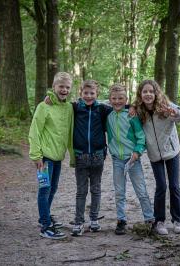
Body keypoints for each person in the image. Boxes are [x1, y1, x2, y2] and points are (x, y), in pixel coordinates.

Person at [133, 79, 180, 235]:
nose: (148, 94)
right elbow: (114, 103)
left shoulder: (166, 106)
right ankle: (159, 221)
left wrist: (177, 114)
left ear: (156, 93)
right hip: (155, 155)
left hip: (172, 152)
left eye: (151, 91)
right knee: (161, 187)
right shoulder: (139, 111)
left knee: (174, 186)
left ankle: (177, 221)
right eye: (144, 91)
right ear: (140, 94)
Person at [28, 72, 74, 240]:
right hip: (44, 159)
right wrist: (36, 156)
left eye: (67, 87)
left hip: (58, 158)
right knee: (44, 190)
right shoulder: (43, 106)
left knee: (53, 189)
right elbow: (34, 131)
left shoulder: (68, 107)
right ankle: (46, 227)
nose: (64, 90)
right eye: (61, 86)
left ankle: (44, 217)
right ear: (54, 87)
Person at [106, 84, 155, 235]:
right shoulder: (108, 116)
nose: (117, 101)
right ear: (109, 100)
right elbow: (95, 101)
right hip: (117, 160)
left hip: (133, 160)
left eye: (121, 98)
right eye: (114, 99)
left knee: (141, 190)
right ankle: (121, 220)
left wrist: (137, 152)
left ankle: (149, 219)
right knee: (119, 192)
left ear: (126, 99)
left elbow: (141, 137)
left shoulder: (132, 116)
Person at [70, 80, 112, 236]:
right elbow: (58, 104)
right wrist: (49, 98)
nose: (88, 96)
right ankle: (78, 221)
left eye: (92, 93)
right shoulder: (74, 108)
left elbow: (119, 106)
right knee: (81, 191)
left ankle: (94, 220)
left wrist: (132, 107)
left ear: (97, 94)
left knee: (96, 189)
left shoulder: (102, 109)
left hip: (98, 155)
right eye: (85, 93)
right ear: (80, 93)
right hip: (80, 155)